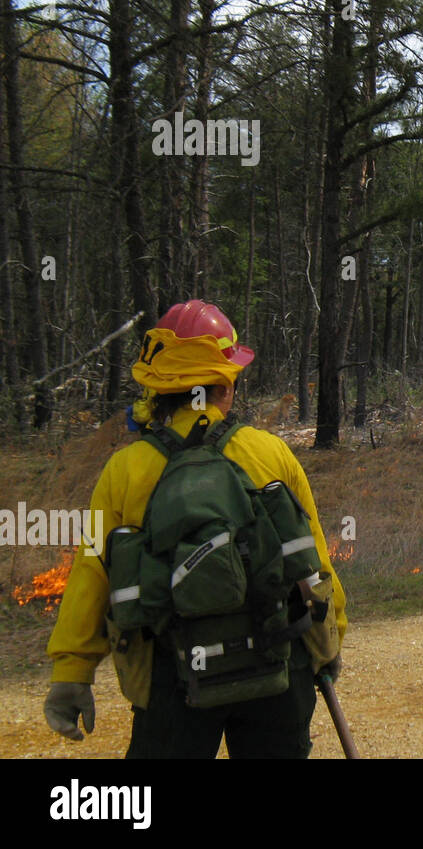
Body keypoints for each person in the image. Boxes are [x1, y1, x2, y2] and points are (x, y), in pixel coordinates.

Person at [43, 299, 347, 758]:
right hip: (277, 668)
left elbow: (92, 573)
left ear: (157, 388)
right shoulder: (270, 454)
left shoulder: (125, 470)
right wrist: (327, 645)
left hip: (171, 680)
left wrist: (72, 672)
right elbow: (314, 565)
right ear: (226, 381)